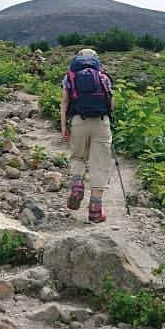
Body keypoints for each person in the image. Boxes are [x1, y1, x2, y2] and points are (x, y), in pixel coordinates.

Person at [60, 48, 114, 223]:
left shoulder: (70, 77)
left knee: (78, 157)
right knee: (100, 163)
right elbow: (111, 104)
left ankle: (77, 185)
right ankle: (95, 210)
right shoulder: (103, 77)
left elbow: (65, 101)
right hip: (101, 122)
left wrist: (63, 126)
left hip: (78, 121)